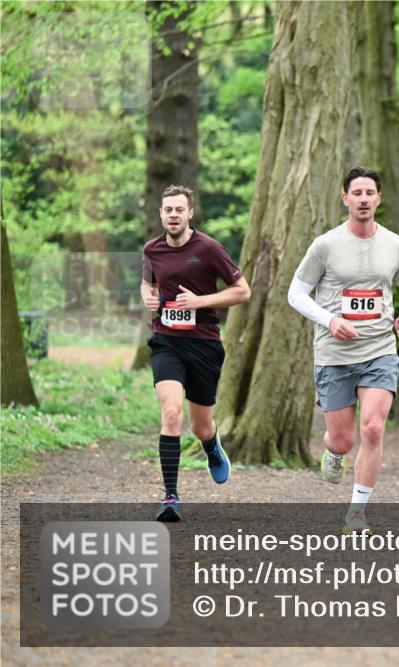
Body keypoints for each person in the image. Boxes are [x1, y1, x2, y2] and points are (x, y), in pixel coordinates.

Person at [287, 166, 399, 533]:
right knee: (344, 439)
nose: (363, 199)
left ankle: (357, 513)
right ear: (345, 198)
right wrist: (330, 320)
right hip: (334, 354)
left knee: (373, 428)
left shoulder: (396, 245)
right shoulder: (325, 245)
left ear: (379, 199)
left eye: (369, 193)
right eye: (357, 193)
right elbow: (296, 293)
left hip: (380, 350)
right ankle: (333, 450)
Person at [141, 185, 251, 522]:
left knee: (201, 426)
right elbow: (148, 282)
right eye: (168, 210)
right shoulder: (152, 249)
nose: (173, 215)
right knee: (171, 412)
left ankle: (211, 447)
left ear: (190, 213)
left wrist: (200, 301)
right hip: (166, 342)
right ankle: (170, 497)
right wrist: (148, 296)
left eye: (179, 209)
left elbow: (242, 291)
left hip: (204, 343)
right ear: (161, 213)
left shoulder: (209, 248)